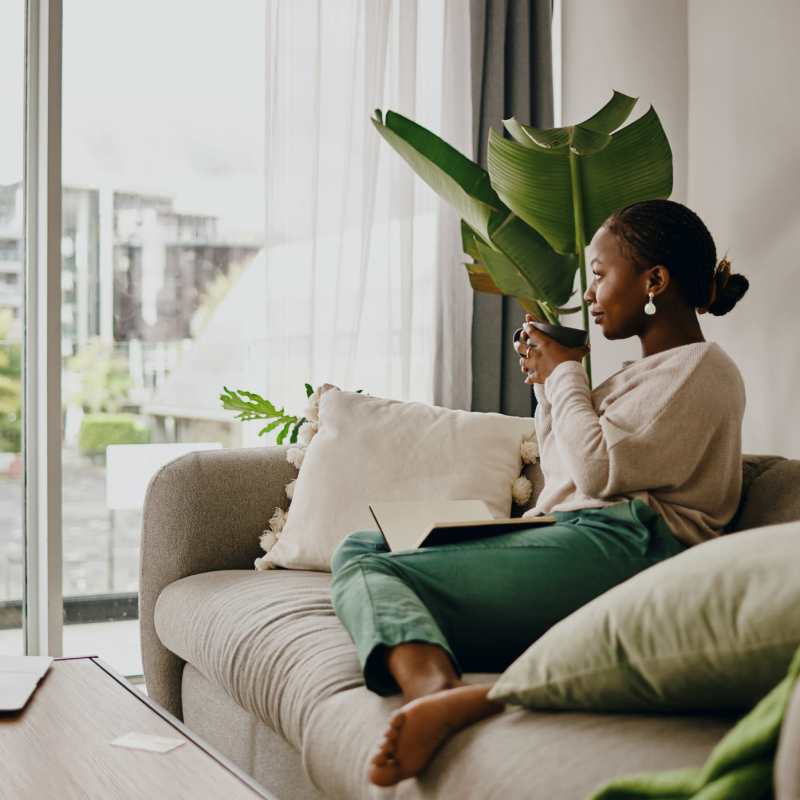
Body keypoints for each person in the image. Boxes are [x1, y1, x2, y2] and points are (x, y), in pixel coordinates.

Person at [328, 199, 750, 787]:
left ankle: (436, 693)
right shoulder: (636, 376)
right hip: (579, 534)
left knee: (386, 574)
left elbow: (602, 475)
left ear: (654, 280)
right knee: (361, 547)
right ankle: (437, 677)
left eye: (600, 275)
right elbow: (566, 477)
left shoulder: (704, 370)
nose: (593, 293)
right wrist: (550, 391)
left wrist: (567, 375)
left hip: (635, 546)